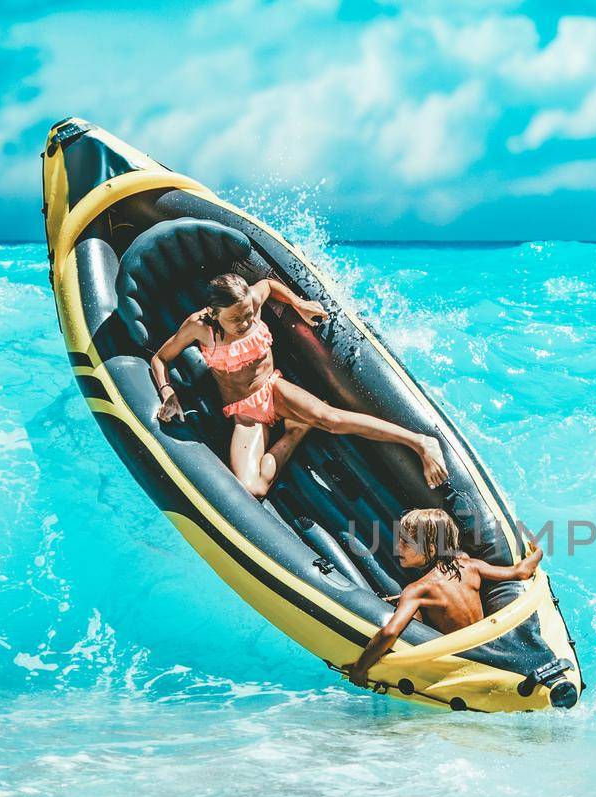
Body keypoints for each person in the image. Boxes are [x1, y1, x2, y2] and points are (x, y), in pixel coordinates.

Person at [149, 274, 449, 498]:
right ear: (214, 314)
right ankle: (295, 431)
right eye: (235, 319)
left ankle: (420, 442)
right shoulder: (199, 327)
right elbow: (160, 359)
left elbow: (267, 284)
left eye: (248, 316)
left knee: (330, 419)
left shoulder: (250, 300)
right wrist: (168, 393)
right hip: (244, 411)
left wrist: (299, 303)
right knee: (252, 488)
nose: (244, 322)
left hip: (274, 389)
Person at [345, 509, 543, 687]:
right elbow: (521, 572)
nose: (398, 547)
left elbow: (389, 633)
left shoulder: (417, 590)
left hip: (464, 661)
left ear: (431, 548)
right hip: (491, 648)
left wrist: (360, 668)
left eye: (406, 542)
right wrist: (537, 551)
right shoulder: (469, 566)